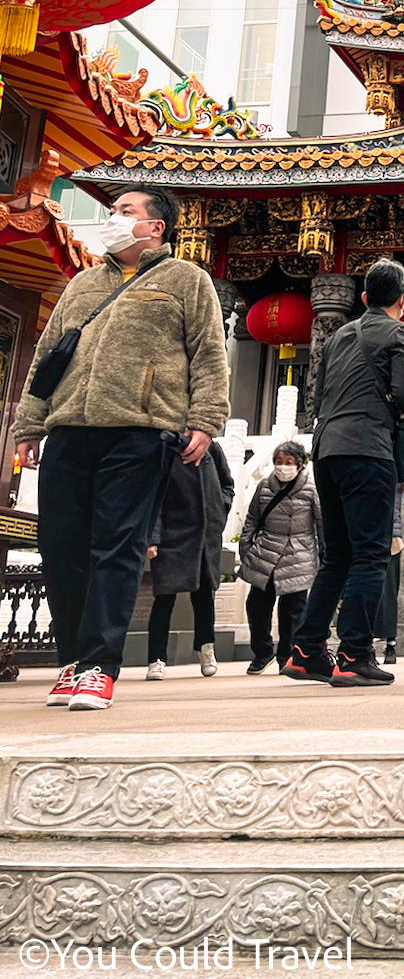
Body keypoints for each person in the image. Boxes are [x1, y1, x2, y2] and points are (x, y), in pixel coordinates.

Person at [13, 188, 229, 712]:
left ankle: (99, 666)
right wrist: (30, 421)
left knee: (117, 545)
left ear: (156, 228)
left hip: (140, 430)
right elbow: (47, 354)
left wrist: (205, 420)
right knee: (60, 545)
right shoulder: (83, 283)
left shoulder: (186, 281)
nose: (114, 219)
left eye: (126, 212)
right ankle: (73, 657)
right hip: (68, 428)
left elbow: (208, 353)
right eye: (113, 212)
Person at [284, 258, 404, 689]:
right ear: (403, 298)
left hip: (326, 449)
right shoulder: (401, 332)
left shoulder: (341, 333)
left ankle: (306, 650)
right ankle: (354, 653)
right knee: (370, 553)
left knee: (338, 556)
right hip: (368, 449)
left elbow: (318, 392)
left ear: (363, 298)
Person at [146, 436, 235, 679]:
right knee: (164, 598)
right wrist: (153, 538)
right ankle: (156, 658)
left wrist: (218, 510)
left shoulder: (213, 450)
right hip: (172, 535)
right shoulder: (166, 450)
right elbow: (154, 497)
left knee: (205, 596)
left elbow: (227, 486)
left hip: (206, 535)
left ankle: (206, 648)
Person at [238, 439, 321, 674]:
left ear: (300, 464)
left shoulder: (311, 489)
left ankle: (288, 655)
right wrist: (247, 547)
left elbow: (322, 524)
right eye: (279, 462)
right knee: (257, 605)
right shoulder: (265, 486)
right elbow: (252, 519)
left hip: (299, 553)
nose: (283, 466)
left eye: (289, 462)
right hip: (266, 553)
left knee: (293, 610)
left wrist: (324, 555)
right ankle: (262, 653)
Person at [375, 484, 404, 664]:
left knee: (389, 594)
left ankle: (390, 643)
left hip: (391, 541)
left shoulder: (395, 479)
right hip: (366, 539)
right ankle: (367, 644)